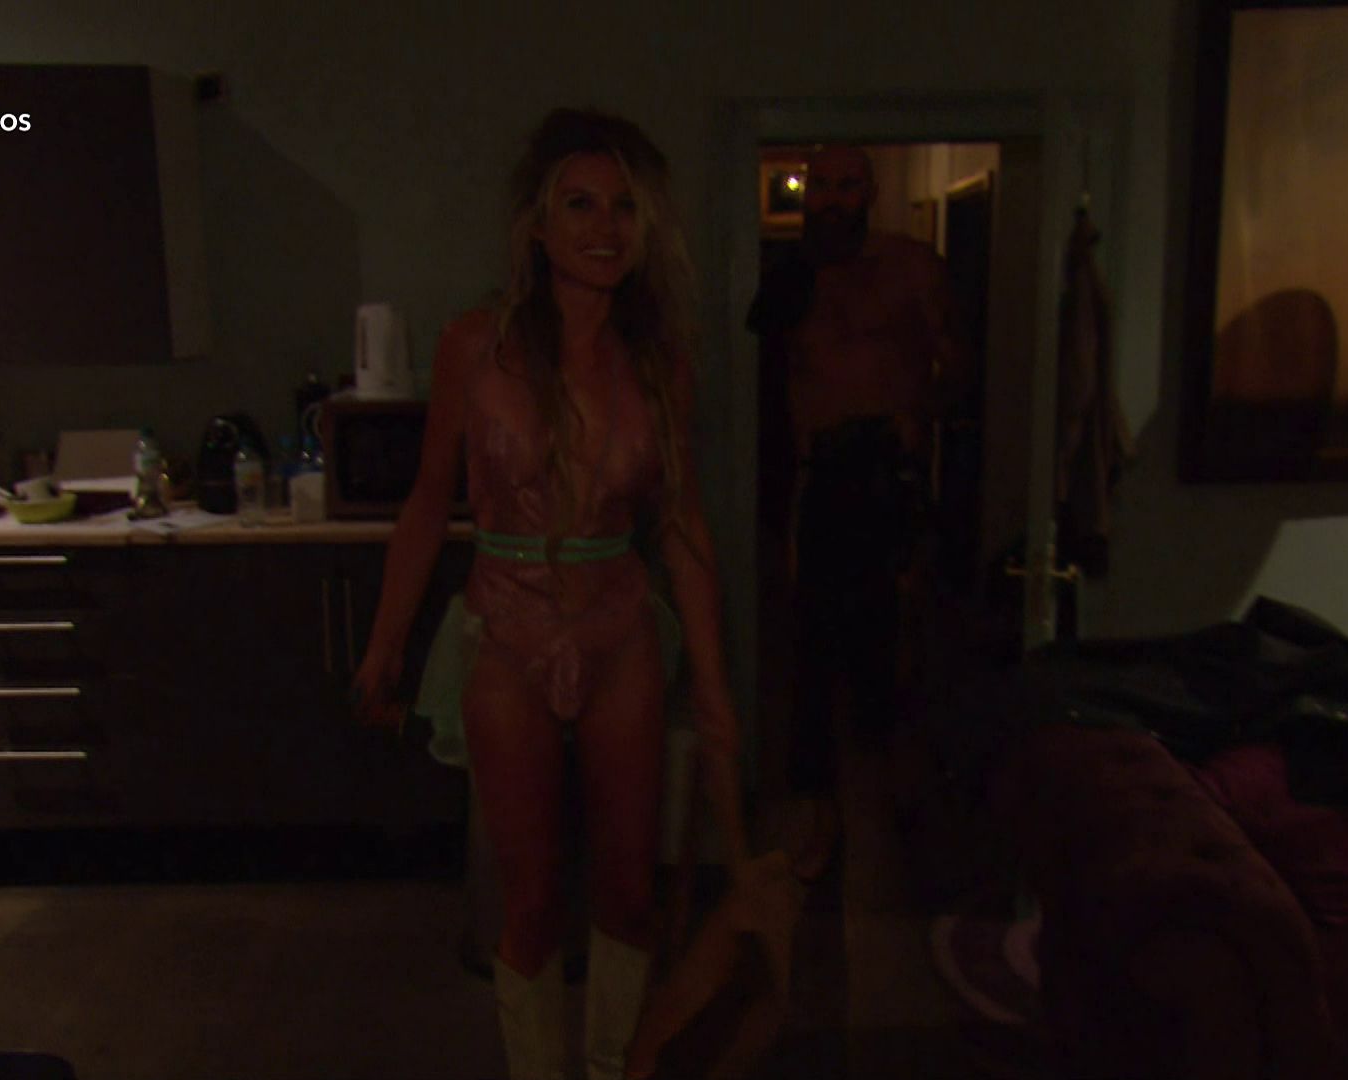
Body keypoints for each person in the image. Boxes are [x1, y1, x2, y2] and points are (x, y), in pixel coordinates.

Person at [352, 108, 751, 1080]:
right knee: (529, 900)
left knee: (628, 892)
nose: (604, 227)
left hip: (620, 628)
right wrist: (385, 645)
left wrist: (714, 692)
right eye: (579, 204)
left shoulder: (658, 362)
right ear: (537, 223)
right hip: (505, 629)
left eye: (624, 207)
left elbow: (683, 526)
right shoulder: (473, 345)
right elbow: (428, 501)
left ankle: (612, 1067)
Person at [748, 145, 966, 879]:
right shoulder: (789, 281)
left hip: (890, 478)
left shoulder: (911, 267)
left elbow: (956, 368)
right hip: (820, 481)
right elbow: (772, 387)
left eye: (848, 186)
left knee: (892, 647)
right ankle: (816, 819)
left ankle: (897, 822)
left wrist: (914, 415)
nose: (833, 200)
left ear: (869, 192)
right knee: (809, 652)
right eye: (821, 186)